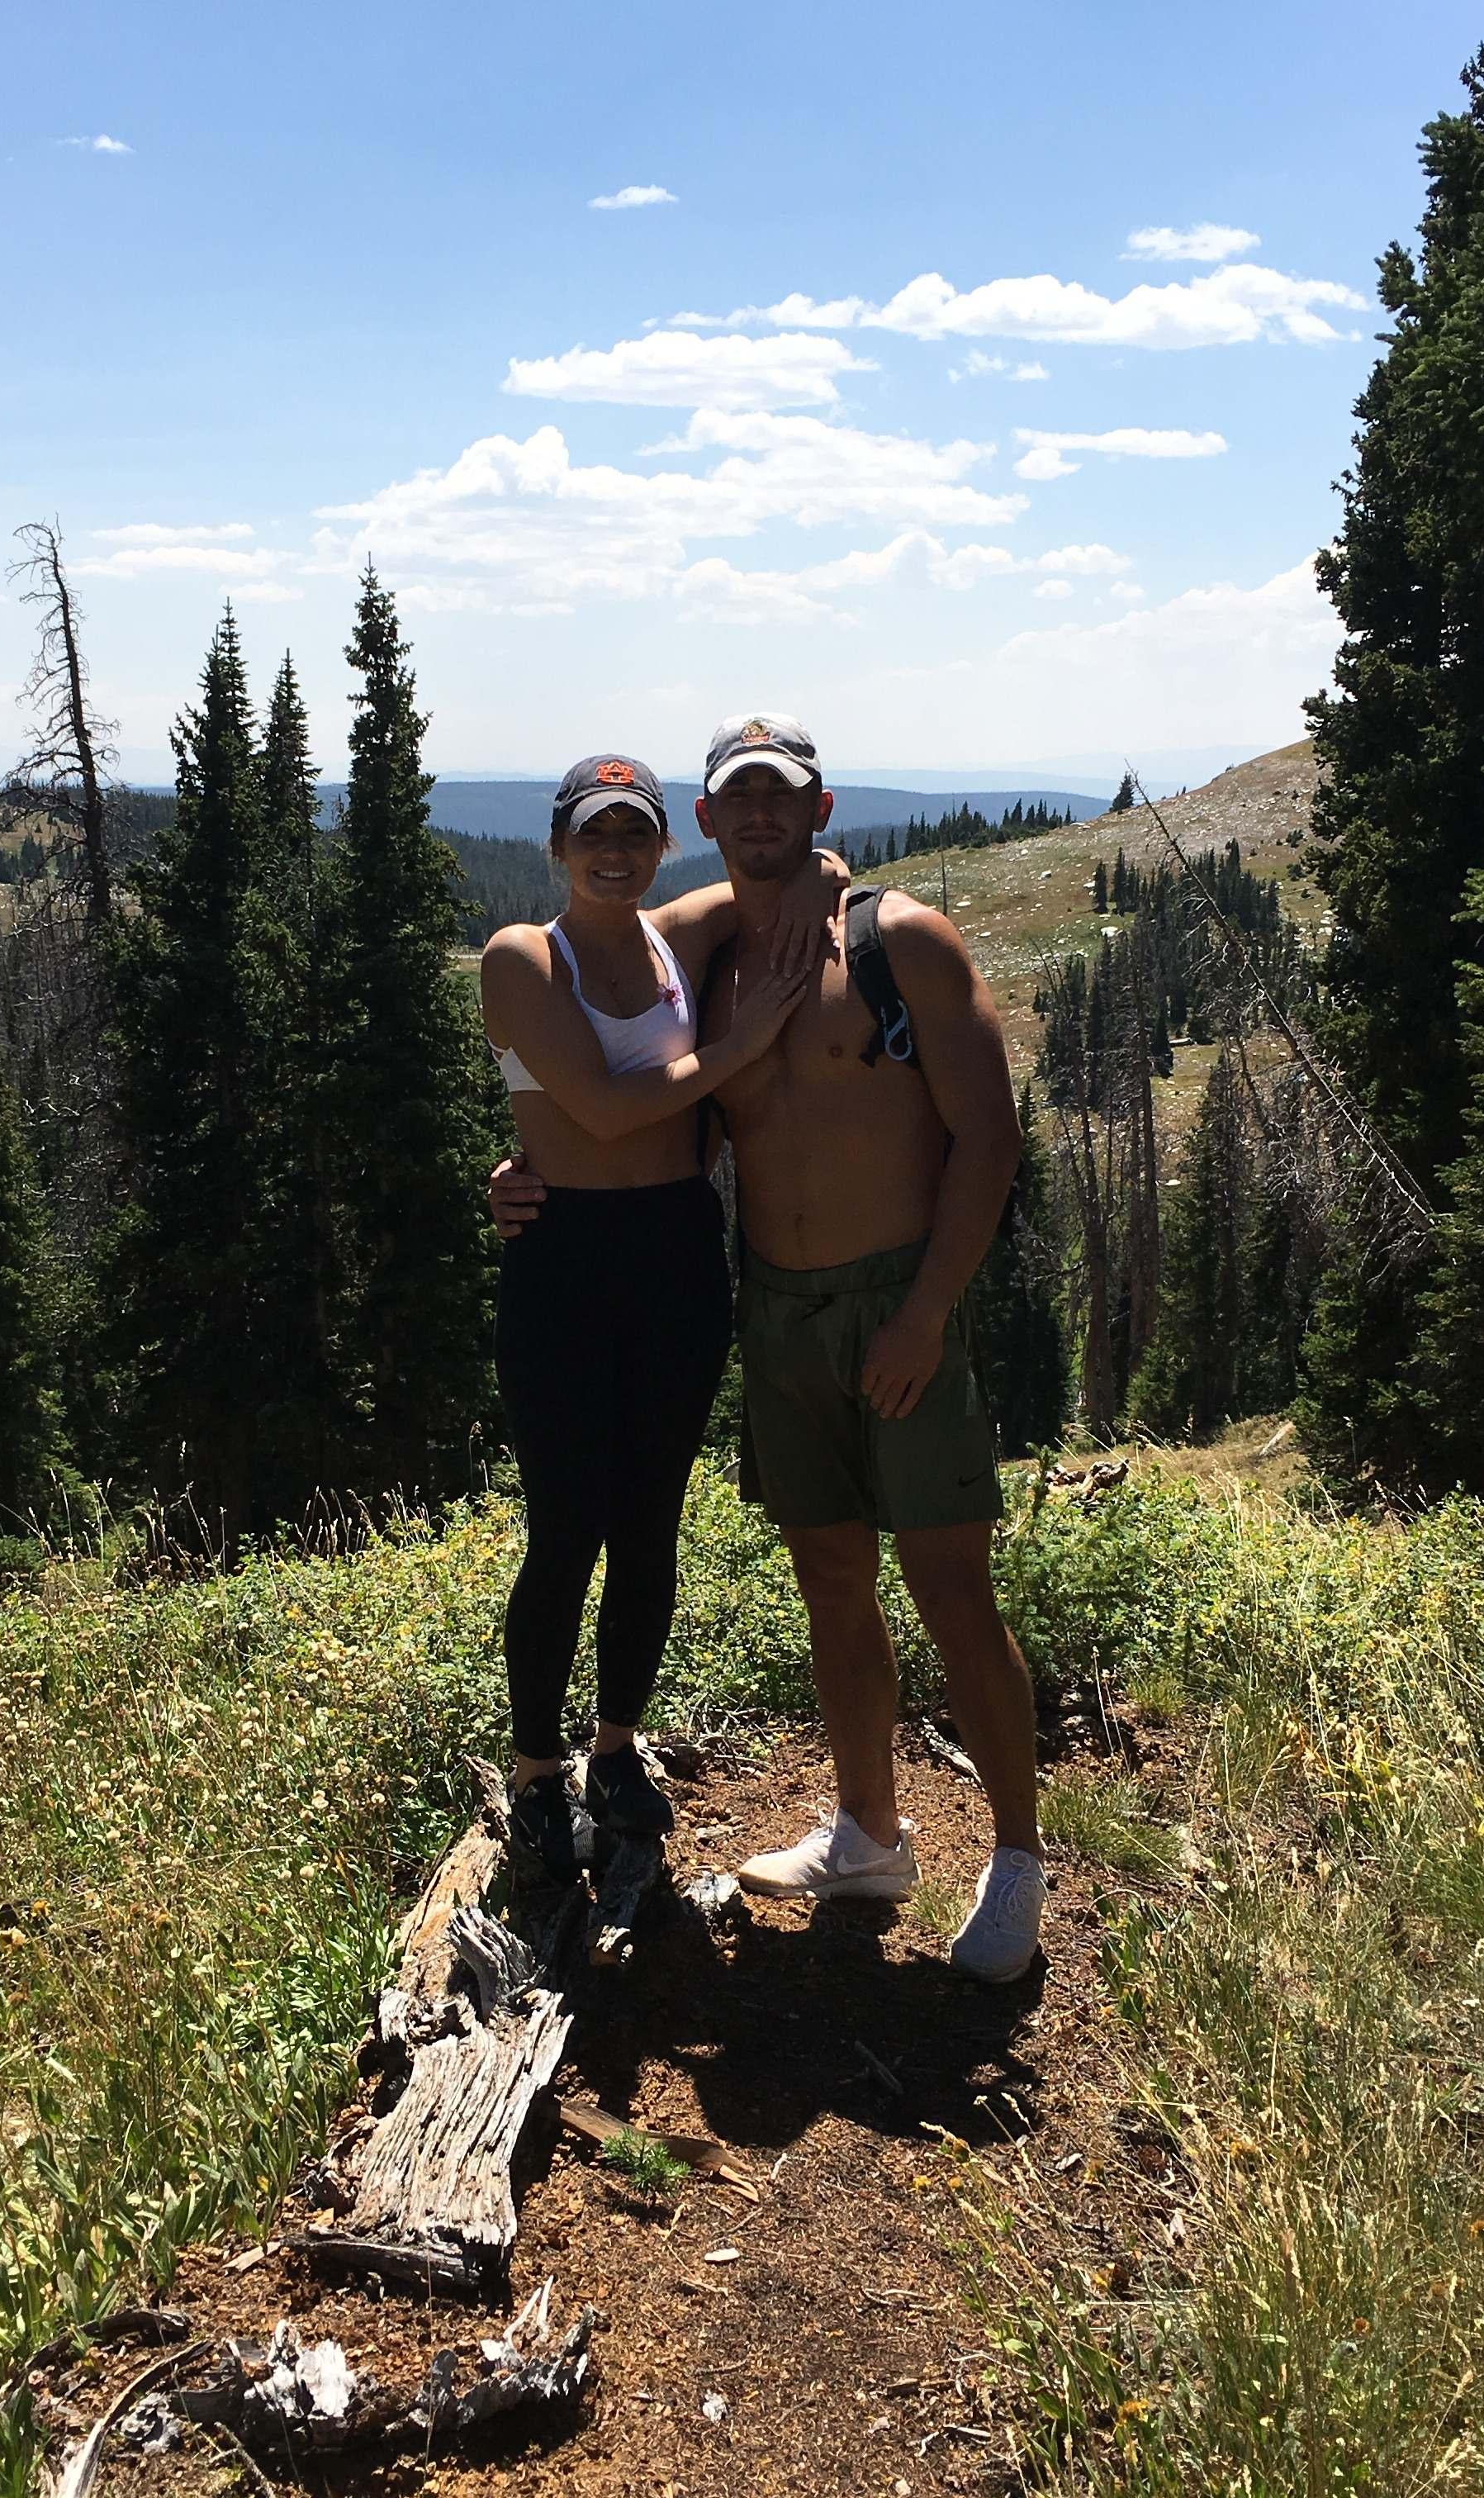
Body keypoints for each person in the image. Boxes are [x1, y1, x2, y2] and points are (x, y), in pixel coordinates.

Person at [494, 714, 1045, 1982]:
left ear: (821, 807)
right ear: (709, 821)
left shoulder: (898, 938)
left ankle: (1017, 1863)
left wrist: (925, 1314)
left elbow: (990, 1143)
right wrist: (528, 1174)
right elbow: (610, 1060)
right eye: (736, 799)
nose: (757, 817)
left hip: (898, 1297)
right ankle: (868, 1833)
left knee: (954, 1587)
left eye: (780, 798)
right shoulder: (711, 950)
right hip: (774, 1306)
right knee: (833, 1579)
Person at [480, 752, 838, 1883]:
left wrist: (821, 866)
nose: (616, 852)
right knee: (564, 1528)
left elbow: (796, 865)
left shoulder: (670, 935)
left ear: (660, 841)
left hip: (677, 1251)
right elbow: (598, 1105)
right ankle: (538, 1771)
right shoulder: (523, 957)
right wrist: (738, 1048)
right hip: (565, 1259)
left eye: (635, 832)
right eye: (595, 832)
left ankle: (616, 1750)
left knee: (649, 1525)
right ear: (556, 846)